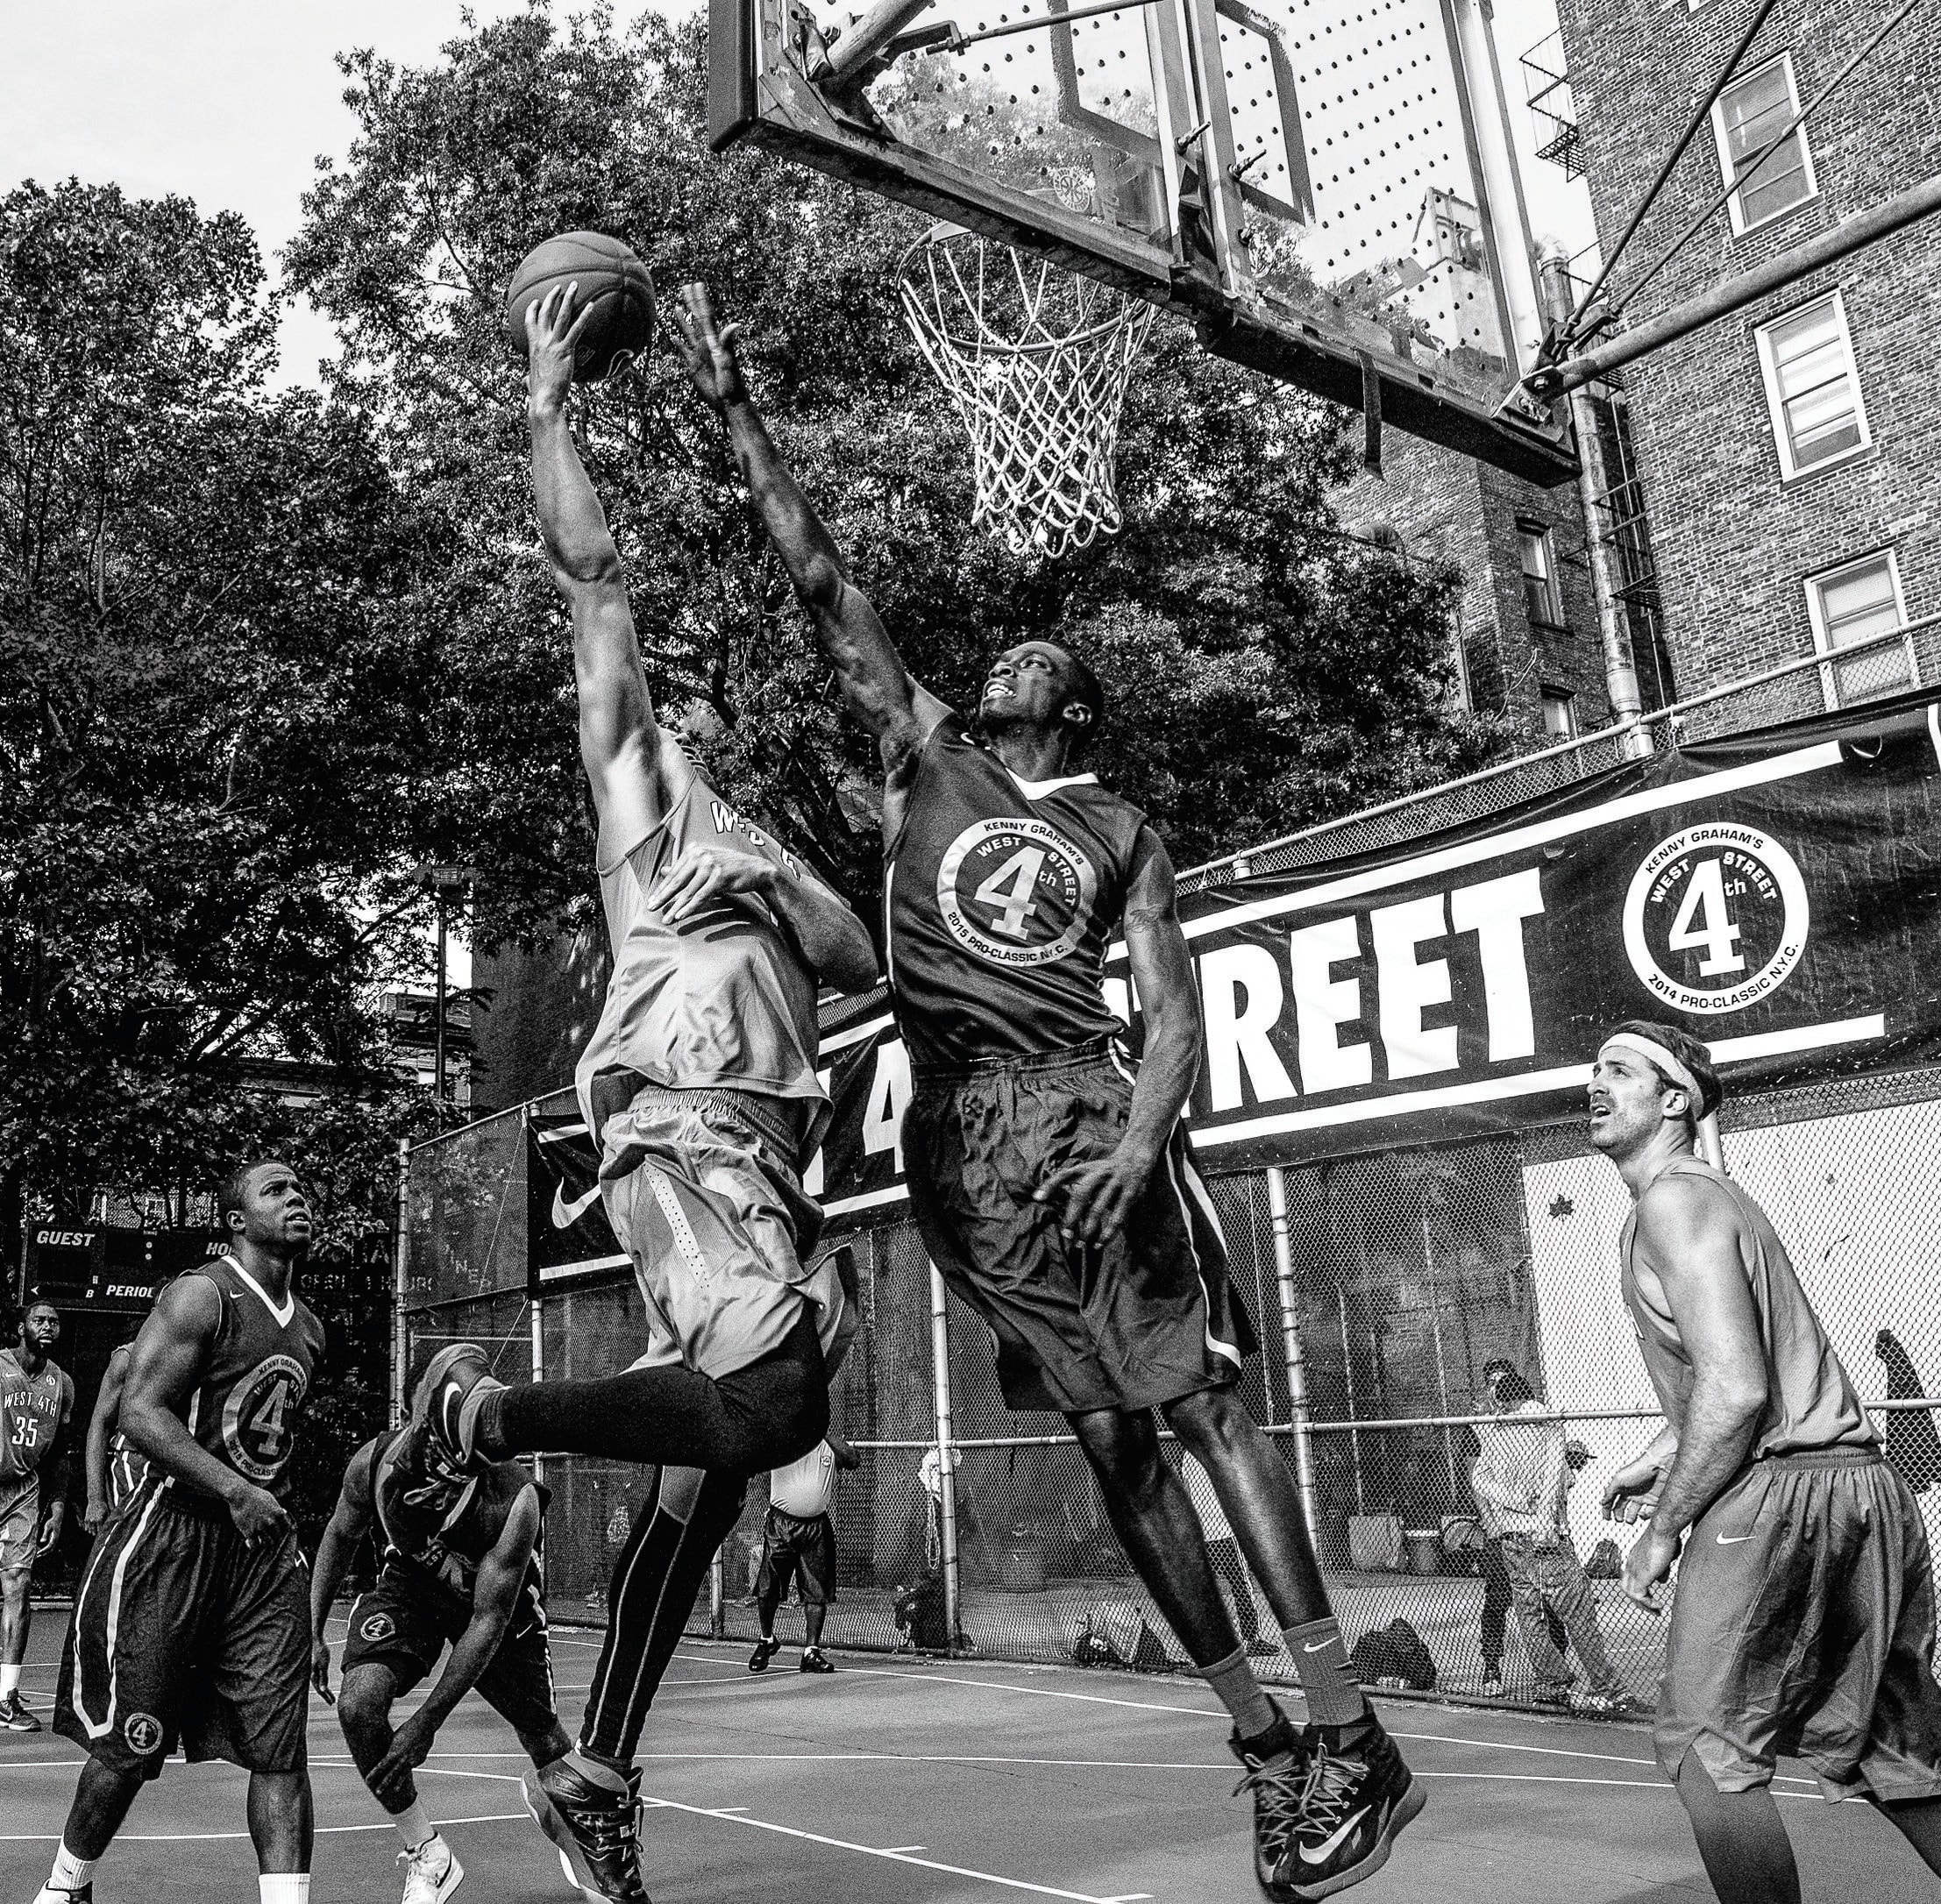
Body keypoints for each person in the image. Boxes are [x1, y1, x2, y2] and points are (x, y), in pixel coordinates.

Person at [672, 281, 1424, 1902]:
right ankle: (1265, 1751)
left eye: (1040, 655)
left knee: (1200, 1407)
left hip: (1083, 1108)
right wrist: (736, 409)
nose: (1009, 646)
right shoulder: (917, 756)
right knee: (1107, 1437)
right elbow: (820, 579)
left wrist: (1146, 1138)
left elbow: (1171, 1011)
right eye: (1005, 650)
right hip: (960, 1143)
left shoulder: (1122, 827)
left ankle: (1352, 1724)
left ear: (1069, 708)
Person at [409, 283, 878, 1904]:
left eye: (691, 705)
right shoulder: (644, 821)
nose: (668, 707)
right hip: (670, 1123)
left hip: (764, 1158)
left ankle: (597, 1774)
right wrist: (550, 399)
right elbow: (592, 579)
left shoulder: (765, 855)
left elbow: (864, 958)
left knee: (716, 1460)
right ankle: (494, 1418)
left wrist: (791, 891)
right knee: (775, 1403)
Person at [1591, 1020, 1941, 1904]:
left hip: (1780, 1499)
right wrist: (1659, 1450)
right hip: (1858, 1488)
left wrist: (1663, 1529)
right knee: (1895, 1756)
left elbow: (1740, 1390)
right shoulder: (1721, 1197)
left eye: (1620, 1070)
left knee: (1703, 1746)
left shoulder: (1672, 1202)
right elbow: (1756, 1367)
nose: (1596, 1084)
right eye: (1593, 1070)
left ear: (1675, 1099)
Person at [43, 1162, 323, 1904]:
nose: (297, 1198)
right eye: (276, 1190)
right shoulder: (203, 1296)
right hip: (177, 1535)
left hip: (261, 1554)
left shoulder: (312, 1328)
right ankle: (68, 1886)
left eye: (301, 1190)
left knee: (279, 1748)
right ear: (236, 1219)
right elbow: (139, 1412)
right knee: (129, 1744)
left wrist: (263, 1505)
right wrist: (231, 1488)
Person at [309, 1420, 568, 1904]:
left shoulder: (513, 1501)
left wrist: (427, 1721)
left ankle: (596, 1855)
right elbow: (341, 1532)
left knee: (544, 1738)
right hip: (411, 1584)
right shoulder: (373, 1463)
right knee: (358, 1705)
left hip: (492, 1601)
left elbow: (487, 1621)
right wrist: (313, 1628)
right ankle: (428, 1853)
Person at [1471, 1366, 1638, 1716]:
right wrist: (1544, 1520)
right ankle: (1608, 1690)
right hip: (1545, 1533)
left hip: (1511, 1535)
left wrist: (1512, 1504)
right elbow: (1551, 1477)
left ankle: (1552, 1685)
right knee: (1578, 1615)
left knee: (1531, 1615)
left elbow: (1480, 1478)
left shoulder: (1494, 1430)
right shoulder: (1545, 1425)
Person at [1456, 1357, 1563, 1694]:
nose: (1499, 1391)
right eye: (1494, 1384)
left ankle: (1552, 1673)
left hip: (1533, 1526)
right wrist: (1490, 1522)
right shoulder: (1481, 1427)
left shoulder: (1531, 1421)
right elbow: (1478, 1479)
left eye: (1505, 1384)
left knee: (1547, 1600)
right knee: (1499, 1598)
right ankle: (1492, 1669)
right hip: (1500, 1527)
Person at [2, 1296, 74, 1731]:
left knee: (18, 1586)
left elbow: (62, 1453)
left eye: (54, 1321)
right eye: (39, 1319)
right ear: (21, 1327)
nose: (48, 1326)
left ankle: (7, 1696)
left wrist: (60, 1503)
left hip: (23, 1491)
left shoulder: (61, 1383)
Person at [748, 1428, 860, 1674]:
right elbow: (757, 1456)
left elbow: (853, 1459)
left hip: (816, 1527)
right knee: (768, 1588)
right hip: (781, 1524)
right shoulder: (784, 1438)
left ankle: (811, 1652)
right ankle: (767, 1640)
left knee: (816, 1592)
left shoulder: (827, 1445)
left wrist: (820, 1433)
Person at [1178, 1447, 1273, 1658]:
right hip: (1225, 1532)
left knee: (1203, 1591)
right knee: (1242, 1586)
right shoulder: (1217, 1450)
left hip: (1203, 1534)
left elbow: (1186, 1489)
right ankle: (1252, 1639)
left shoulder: (1189, 1453)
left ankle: (1203, 1642)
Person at [82, 1328, 148, 1541]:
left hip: (177, 1471)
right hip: (134, 1467)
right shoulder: (129, 1357)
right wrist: (95, 1498)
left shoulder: (200, 1355)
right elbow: (100, 1425)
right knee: (127, 1549)